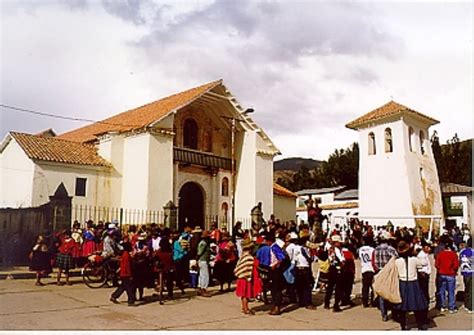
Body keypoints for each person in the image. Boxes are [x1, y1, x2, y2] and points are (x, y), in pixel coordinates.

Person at [393, 240, 428, 330]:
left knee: (402, 308)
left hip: (402, 283)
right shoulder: (415, 260)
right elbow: (424, 264)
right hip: (413, 283)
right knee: (417, 306)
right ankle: (420, 325)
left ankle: (403, 326)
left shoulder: (397, 261)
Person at [372, 231, 398, 321]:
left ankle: (384, 314)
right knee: (391, 292)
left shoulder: (376, 249)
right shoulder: (390, 249)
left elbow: (374, 262)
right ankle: (394, 314)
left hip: (379, 271)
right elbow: (396, 259)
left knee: (382, 294)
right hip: (389, 272)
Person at [234, 238, 262, 315]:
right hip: (245, 278)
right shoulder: (249, 257)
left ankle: (244, 307)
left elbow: (239, 267)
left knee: (243, 295)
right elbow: (248, 267)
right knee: (245, 294)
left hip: (241, 277)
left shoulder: (243, 256)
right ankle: (246, 308)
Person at [435, 241, 460, 313]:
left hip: (441, 274)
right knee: (451, 291)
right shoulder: (453, 254)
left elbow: (436, 264)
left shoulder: (440, 254)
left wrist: (440, 269)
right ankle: (451, 307)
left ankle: (442, 305)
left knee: (441, 291)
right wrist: (454, 270)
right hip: (450, 274)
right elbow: (456, 265)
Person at [294, 230, 316, 309]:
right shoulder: (303, 249)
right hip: (304, 268)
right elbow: (310, 259)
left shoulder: (298, 248)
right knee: (306, 286)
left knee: (301, 286)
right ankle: (307, 303)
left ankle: (302, 301)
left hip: (299, 268)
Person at [110, 241, 136, 306]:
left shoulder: (124, 254)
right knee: (130, 288)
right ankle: (130, 301)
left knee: (123, 286)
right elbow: (127, 266)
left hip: (123, 274)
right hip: (126, 274)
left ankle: (114, 296)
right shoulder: (126, 255)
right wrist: (130, 275)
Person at [324, 235, 345, 312]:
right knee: (338, 288)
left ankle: (326, 303)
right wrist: (343, 264)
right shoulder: (337, 250)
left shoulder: (329, 249)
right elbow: (342, 260)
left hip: (331, 268)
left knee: (330, 287)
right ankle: (336, 305)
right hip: (337, 269)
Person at [268, 233, 287, 315]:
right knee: (273, 289)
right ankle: (275, 305)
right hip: (273, 269)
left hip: (276, 270)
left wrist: (275, 265)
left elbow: (282, 257)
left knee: (276, 289)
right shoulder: (272, 247)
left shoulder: (275, 247)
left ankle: (277, 307)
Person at [358, 236, 375, 307]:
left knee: (365, 286)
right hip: (371, 268)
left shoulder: (360, 249)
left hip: (364, 268)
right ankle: (372, 301)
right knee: (373, 286)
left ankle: (364, 301)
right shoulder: (372, 249)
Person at [459, 237, 472, 313]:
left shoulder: (462, 252)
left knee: (466, 289)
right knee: (471, 290)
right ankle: (470, 306)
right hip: (472, 272)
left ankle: (467, 305)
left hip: (465, 272)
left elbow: (460, 261)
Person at [197, 230, 212, 297]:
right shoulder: (203, 243)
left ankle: (200, 288)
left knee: (201, 275)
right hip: (203, 260)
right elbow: (200, 252)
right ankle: (203, 289)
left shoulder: (203, 242)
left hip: (203, 260)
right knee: (205, 275)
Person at [417, 240, 432, 306]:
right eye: (427, 247)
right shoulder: (421, 255)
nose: (429, 249)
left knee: (425, 290)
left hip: (426, 273)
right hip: (423, 274)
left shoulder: (426, 255)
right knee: (424, 290)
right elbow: (421, 265)